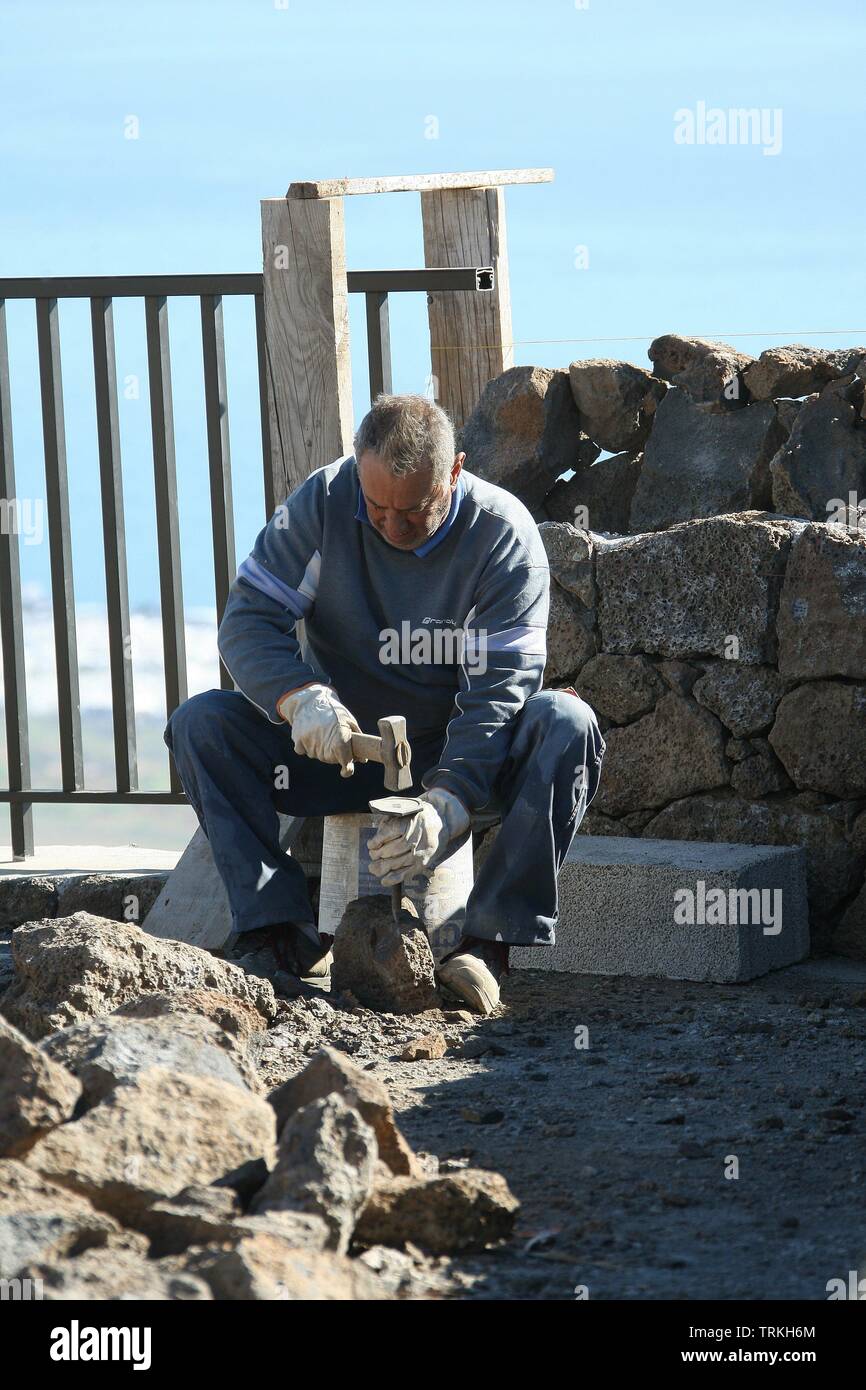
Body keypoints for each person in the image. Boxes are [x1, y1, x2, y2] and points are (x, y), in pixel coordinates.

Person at [165, 394, 604, 1014]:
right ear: (356, 473)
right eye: (376, 508)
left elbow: (499, 696)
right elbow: (247, 622)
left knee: (565, 724)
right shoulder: (322, 502)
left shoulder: (502, 536)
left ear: (455, 473)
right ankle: (273, 934)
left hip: (456, 761)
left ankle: (488, 945)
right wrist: (300, 698)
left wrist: (447, 805)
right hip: (336, 754)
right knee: (202, 724)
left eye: (414, 510)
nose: (393, 528)